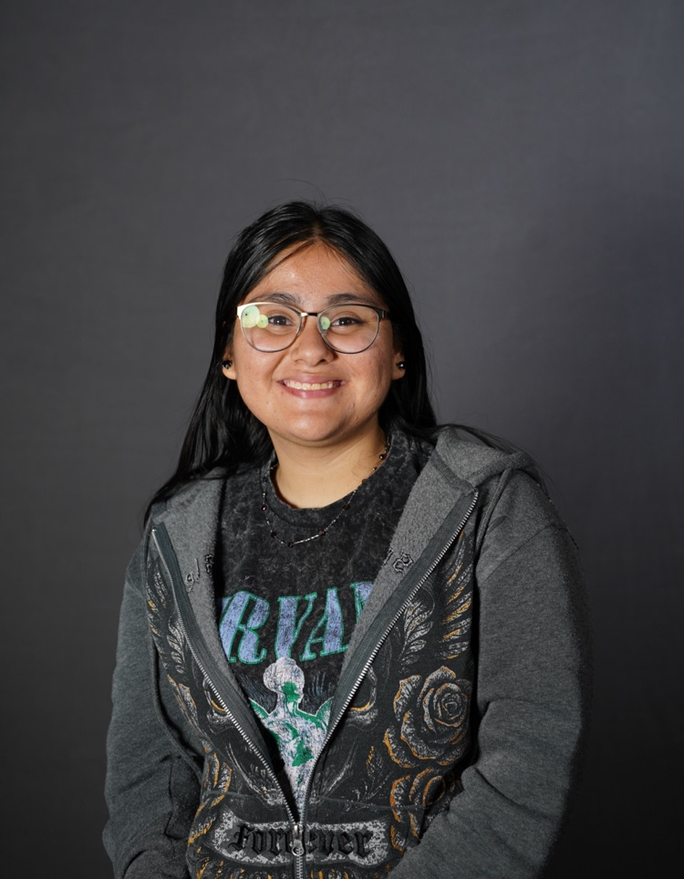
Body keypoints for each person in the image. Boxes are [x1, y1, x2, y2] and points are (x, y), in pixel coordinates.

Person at [104, 201, 591, 879]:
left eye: (349, 320)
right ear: (227, 352)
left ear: (396, 355)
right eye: (274, 320)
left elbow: (529, 750)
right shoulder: (177, 533)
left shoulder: (487, 506)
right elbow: (148, 768)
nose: (311, 348)